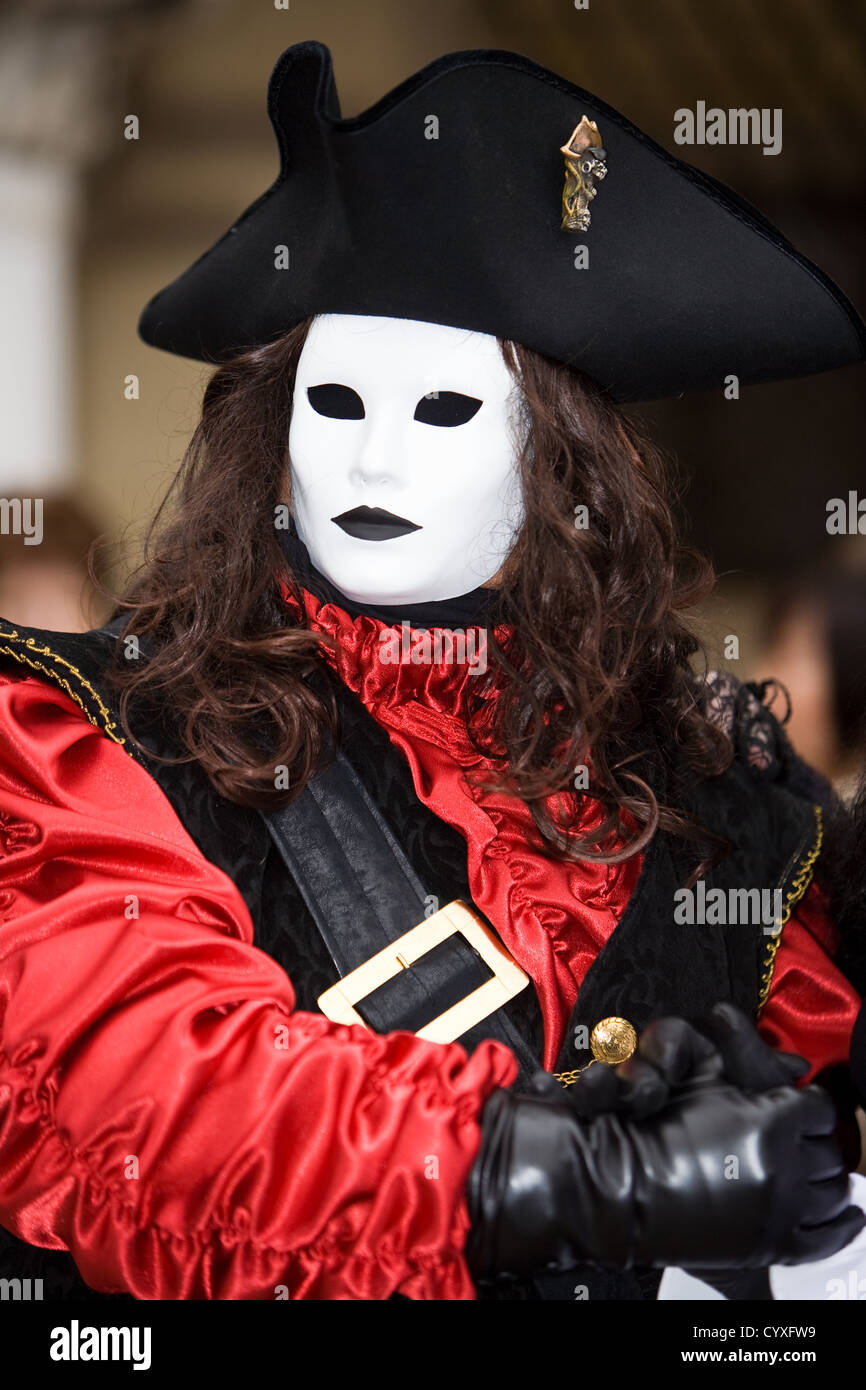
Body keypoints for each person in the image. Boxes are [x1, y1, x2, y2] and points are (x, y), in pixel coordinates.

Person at [0, 41, 864, 1303]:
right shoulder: (84, 737)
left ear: (564, 462)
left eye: (442, 410)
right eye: (337, 402)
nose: (373, 464)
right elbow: (140, 1098)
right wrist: (565, 1176)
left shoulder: (729, 799)